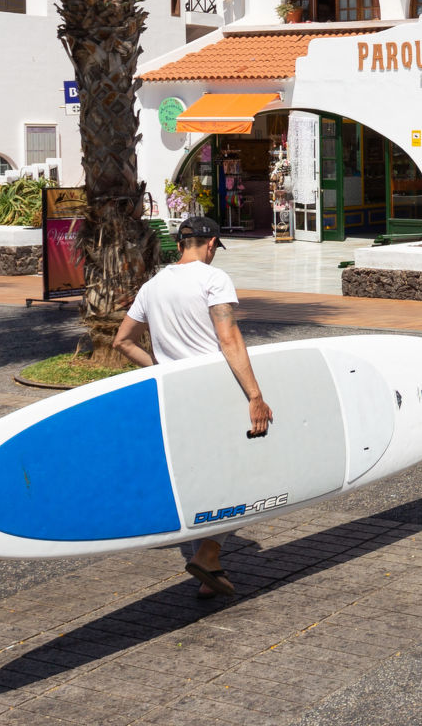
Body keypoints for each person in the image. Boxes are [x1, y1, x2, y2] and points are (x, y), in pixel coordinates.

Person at [112, 216, 272, 597]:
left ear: (181, 243)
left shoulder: (153, 286)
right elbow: (228, 337)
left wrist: (162, 370)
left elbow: (122, 341)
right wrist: (254, 395)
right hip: (214, 394)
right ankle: (209, 554)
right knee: (242, 475)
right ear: (211, 243)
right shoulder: (212, 279)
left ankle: (210, 565)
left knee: (205, 474)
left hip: (176, 397)